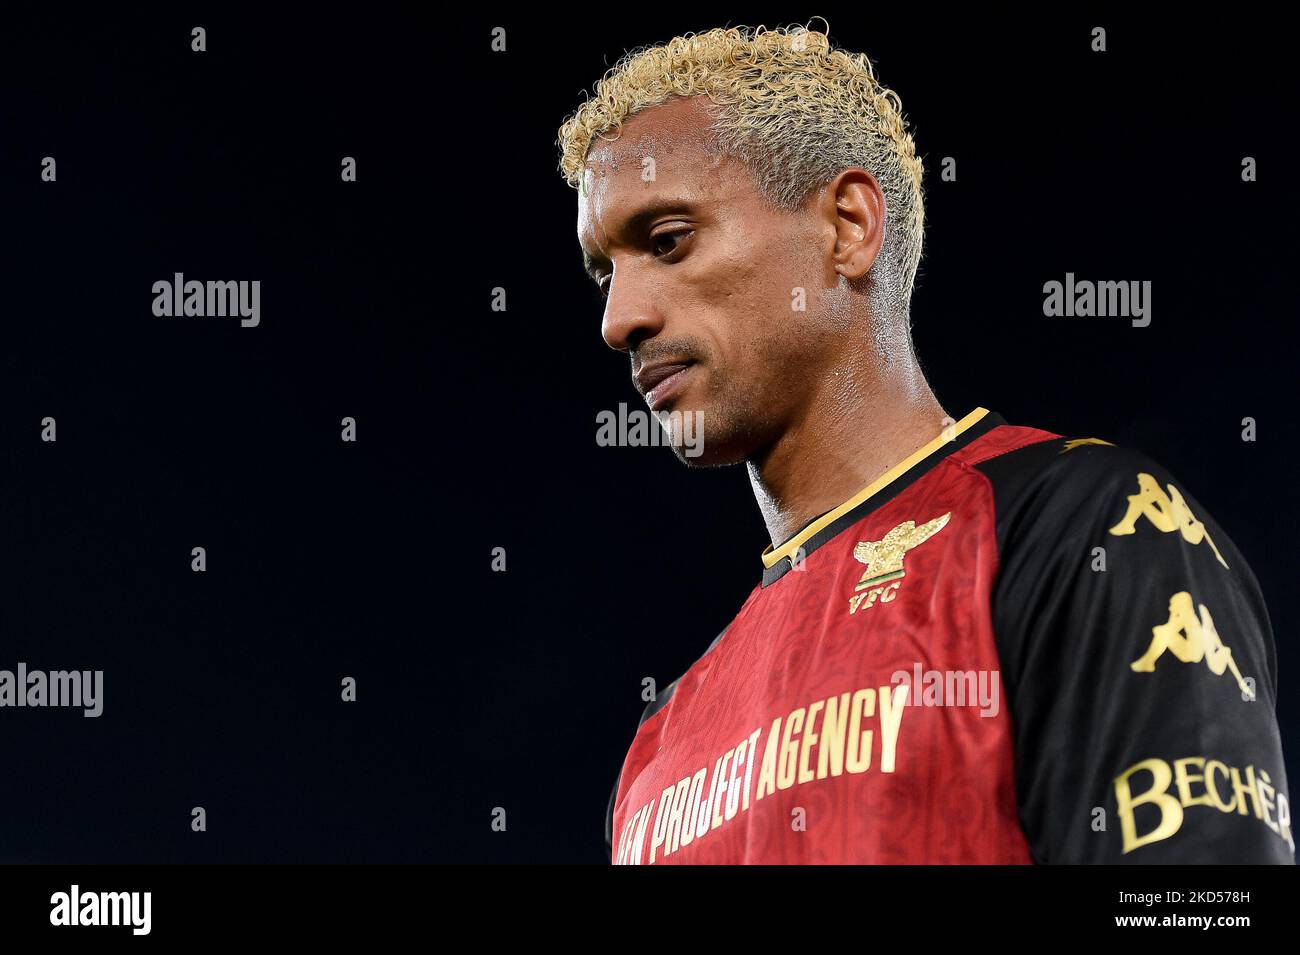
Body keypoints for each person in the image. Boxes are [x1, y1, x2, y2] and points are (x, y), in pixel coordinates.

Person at [556, 24, 1292, 864]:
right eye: (603, 271)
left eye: (667, 242)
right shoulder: (662, 741)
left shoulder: (1091, 532)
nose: (620, 320)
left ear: (847, 225)